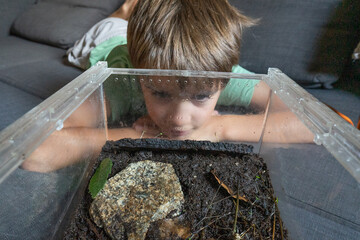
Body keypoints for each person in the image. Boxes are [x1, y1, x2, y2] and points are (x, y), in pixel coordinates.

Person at [22, 0, 314, 172]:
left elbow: (316, 122)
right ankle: (126, 9)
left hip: (134, 40)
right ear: (140, 78)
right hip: (105, 40)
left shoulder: (218, 73)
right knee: (112, 25)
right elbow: (35, 153)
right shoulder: (122, 77)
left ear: (222, 82)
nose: (178, 119)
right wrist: (136, 136)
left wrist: (218, 128)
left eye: (201, 97)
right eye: (160, 93)